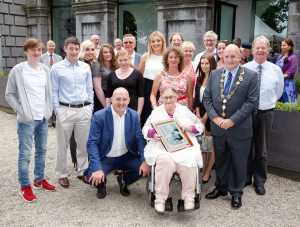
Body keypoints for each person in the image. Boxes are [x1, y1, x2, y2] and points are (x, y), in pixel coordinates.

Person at [203, 44, 259, 209]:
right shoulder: (214, 74)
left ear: (240, 56)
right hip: (218, 127)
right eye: (226, 56)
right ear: (222, 57)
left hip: (239, 128)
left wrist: (232, 120)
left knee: (239, 161)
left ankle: (236, 192)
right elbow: (207, 99)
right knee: (220, 159)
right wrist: (215, 118)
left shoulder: (251, 76)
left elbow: (251, 102)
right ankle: (221, 187)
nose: (230, 59)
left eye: (233, 56)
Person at [5, 38, 56, 202]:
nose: (36, 53)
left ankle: (39, 180)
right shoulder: (18, 70)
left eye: (39, 50)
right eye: (33, 50)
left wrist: (49, 111)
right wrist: (21, 111)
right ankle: (25, 186)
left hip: (42, 118)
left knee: (42, 151)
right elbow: (9, 94)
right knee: (25, 154)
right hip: (27, 120)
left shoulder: (45, 70)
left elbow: (49, 92)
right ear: (26, 51)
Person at [143, 88, 204, 213]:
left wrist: (189, 127)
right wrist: (153, 133)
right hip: (163, 147)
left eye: (171, 97)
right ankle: (160, 199)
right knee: (164, 161)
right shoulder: (156, 112)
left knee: (189, 161)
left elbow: (200, 127)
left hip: (184, 147)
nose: (169, 100)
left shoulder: (184, 111)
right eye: (166, 97)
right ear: (161, 99)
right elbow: (145, 128)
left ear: (176, 98)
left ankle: (188, 198)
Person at [86, 87, 149, 199]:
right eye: (118, 99)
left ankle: (124, 179)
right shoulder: (99, 116)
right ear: (111, 100)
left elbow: (139, 139)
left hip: (126, 155)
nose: (121, 102)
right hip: (106, 156)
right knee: (91, 176)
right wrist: (96, 168)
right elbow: (92, 143)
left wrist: (144, 160)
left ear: (129, 100)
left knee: (144, 167)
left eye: (124, 99)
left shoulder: (134, 115)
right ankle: (101, 183)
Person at [51, 36, 94, 188]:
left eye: (76, 48)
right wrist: (58, 111)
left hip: (83, 110)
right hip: (65, 110)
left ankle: (82, 171)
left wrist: (90, 108)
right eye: (71, 48)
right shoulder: (56, 68)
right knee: (62, 145)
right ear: (65, 49)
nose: (74, 51)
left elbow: (90, 89)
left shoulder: (85, 67)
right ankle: (62, 174)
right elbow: (54, 92)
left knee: (83, 144)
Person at [244, 36, 284, 195]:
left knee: (262, 149)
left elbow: (279, 92)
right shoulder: (245, 68)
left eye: (263, 47)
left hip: (266, 113)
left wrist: (267, 102)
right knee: (246, 146)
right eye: (257, 47)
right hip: (247, 113)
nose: (260, 50)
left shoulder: (276, 70)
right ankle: (245, 177)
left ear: (268, 50)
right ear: (252, 50)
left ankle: (259, 180)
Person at [194, 54, 217, 184]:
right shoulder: (199, 78)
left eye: (206, 63)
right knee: (205, 144)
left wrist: (205, 117)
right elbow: (197, 98)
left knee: (211, 145)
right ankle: (203, 169)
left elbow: (214, 102)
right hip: (200, 114)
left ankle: (208, 172)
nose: (204, 66)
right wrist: (197, 112)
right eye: (202, 63)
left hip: (211, 115)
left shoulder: (215, 80)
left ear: (212, 64)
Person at [139, 31, 166, 125]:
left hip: (162, 88)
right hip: (147, 88)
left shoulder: (167, 56)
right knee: (147, 115)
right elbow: (140, 76)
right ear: (150, 43)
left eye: (158, 41)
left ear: (163, 42)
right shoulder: (145, 56)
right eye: (153, 41)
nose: (156, 43)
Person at [106, 49, 144, 115]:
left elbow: (141, 96)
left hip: (132, 110)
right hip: (115, 109)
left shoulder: (138, 74)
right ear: (117, 61)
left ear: (130, 60)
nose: (123, 63)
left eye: (125, 60)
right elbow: (108, 96)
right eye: (120, 60)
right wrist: (108, 111)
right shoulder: (111, 75)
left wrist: (138, 113)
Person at [93, 43, 117, 112]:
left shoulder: (115, 64)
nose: (108, 54)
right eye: (105, 52)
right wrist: (106, 106)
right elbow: (97, 88)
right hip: (101, 97)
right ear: (101, 54)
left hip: (113, 96)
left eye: (110, 52)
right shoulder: (97, 65)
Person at [276, 38, 298, 103]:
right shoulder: (279, 57)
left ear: (290, 47)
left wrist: (279, 77)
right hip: (278, 83)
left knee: (288, 105)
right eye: (281, 45)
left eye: (284, 45)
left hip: (287, 85)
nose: (282, 47)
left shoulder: (293, 58)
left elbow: (290, 72)